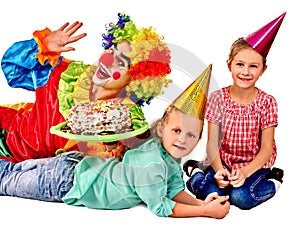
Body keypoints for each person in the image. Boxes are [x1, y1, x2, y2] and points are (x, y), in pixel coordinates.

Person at [0, 65, 230, 219]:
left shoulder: (164, 154)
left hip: (75, 165)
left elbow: (173, 188)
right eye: (177, 130)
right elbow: (162, 207)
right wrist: (206, 213)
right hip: (67, 183)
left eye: (191, 135)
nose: (182, 139)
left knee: (10, 170)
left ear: (199, 139)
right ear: (161, 128)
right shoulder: (151, 164)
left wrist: (200, 204)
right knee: (6, 181)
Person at [0, 13, 171, 162]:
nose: (108, 62)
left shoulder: (126, 116)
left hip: (37, 171)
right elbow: (12, 71)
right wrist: (42, 46)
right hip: (8, 139)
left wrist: (114, 145)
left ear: (136, 80)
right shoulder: (65, 73)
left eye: (120, 63)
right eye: (111, 52)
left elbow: (129, 157)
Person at [184, 12, 286, 210]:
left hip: (254, 165)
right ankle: (197, 171)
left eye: (253, 66)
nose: (246, 72)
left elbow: (266, 149)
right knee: (212, 194)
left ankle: (274, 179)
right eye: (240, 64)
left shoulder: (267, 102)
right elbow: (212, 143)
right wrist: (219, 170)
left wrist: (246, 172)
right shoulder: (217, 99)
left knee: (241, 198)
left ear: (263, 69)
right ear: (229, 65)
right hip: (222, 162)